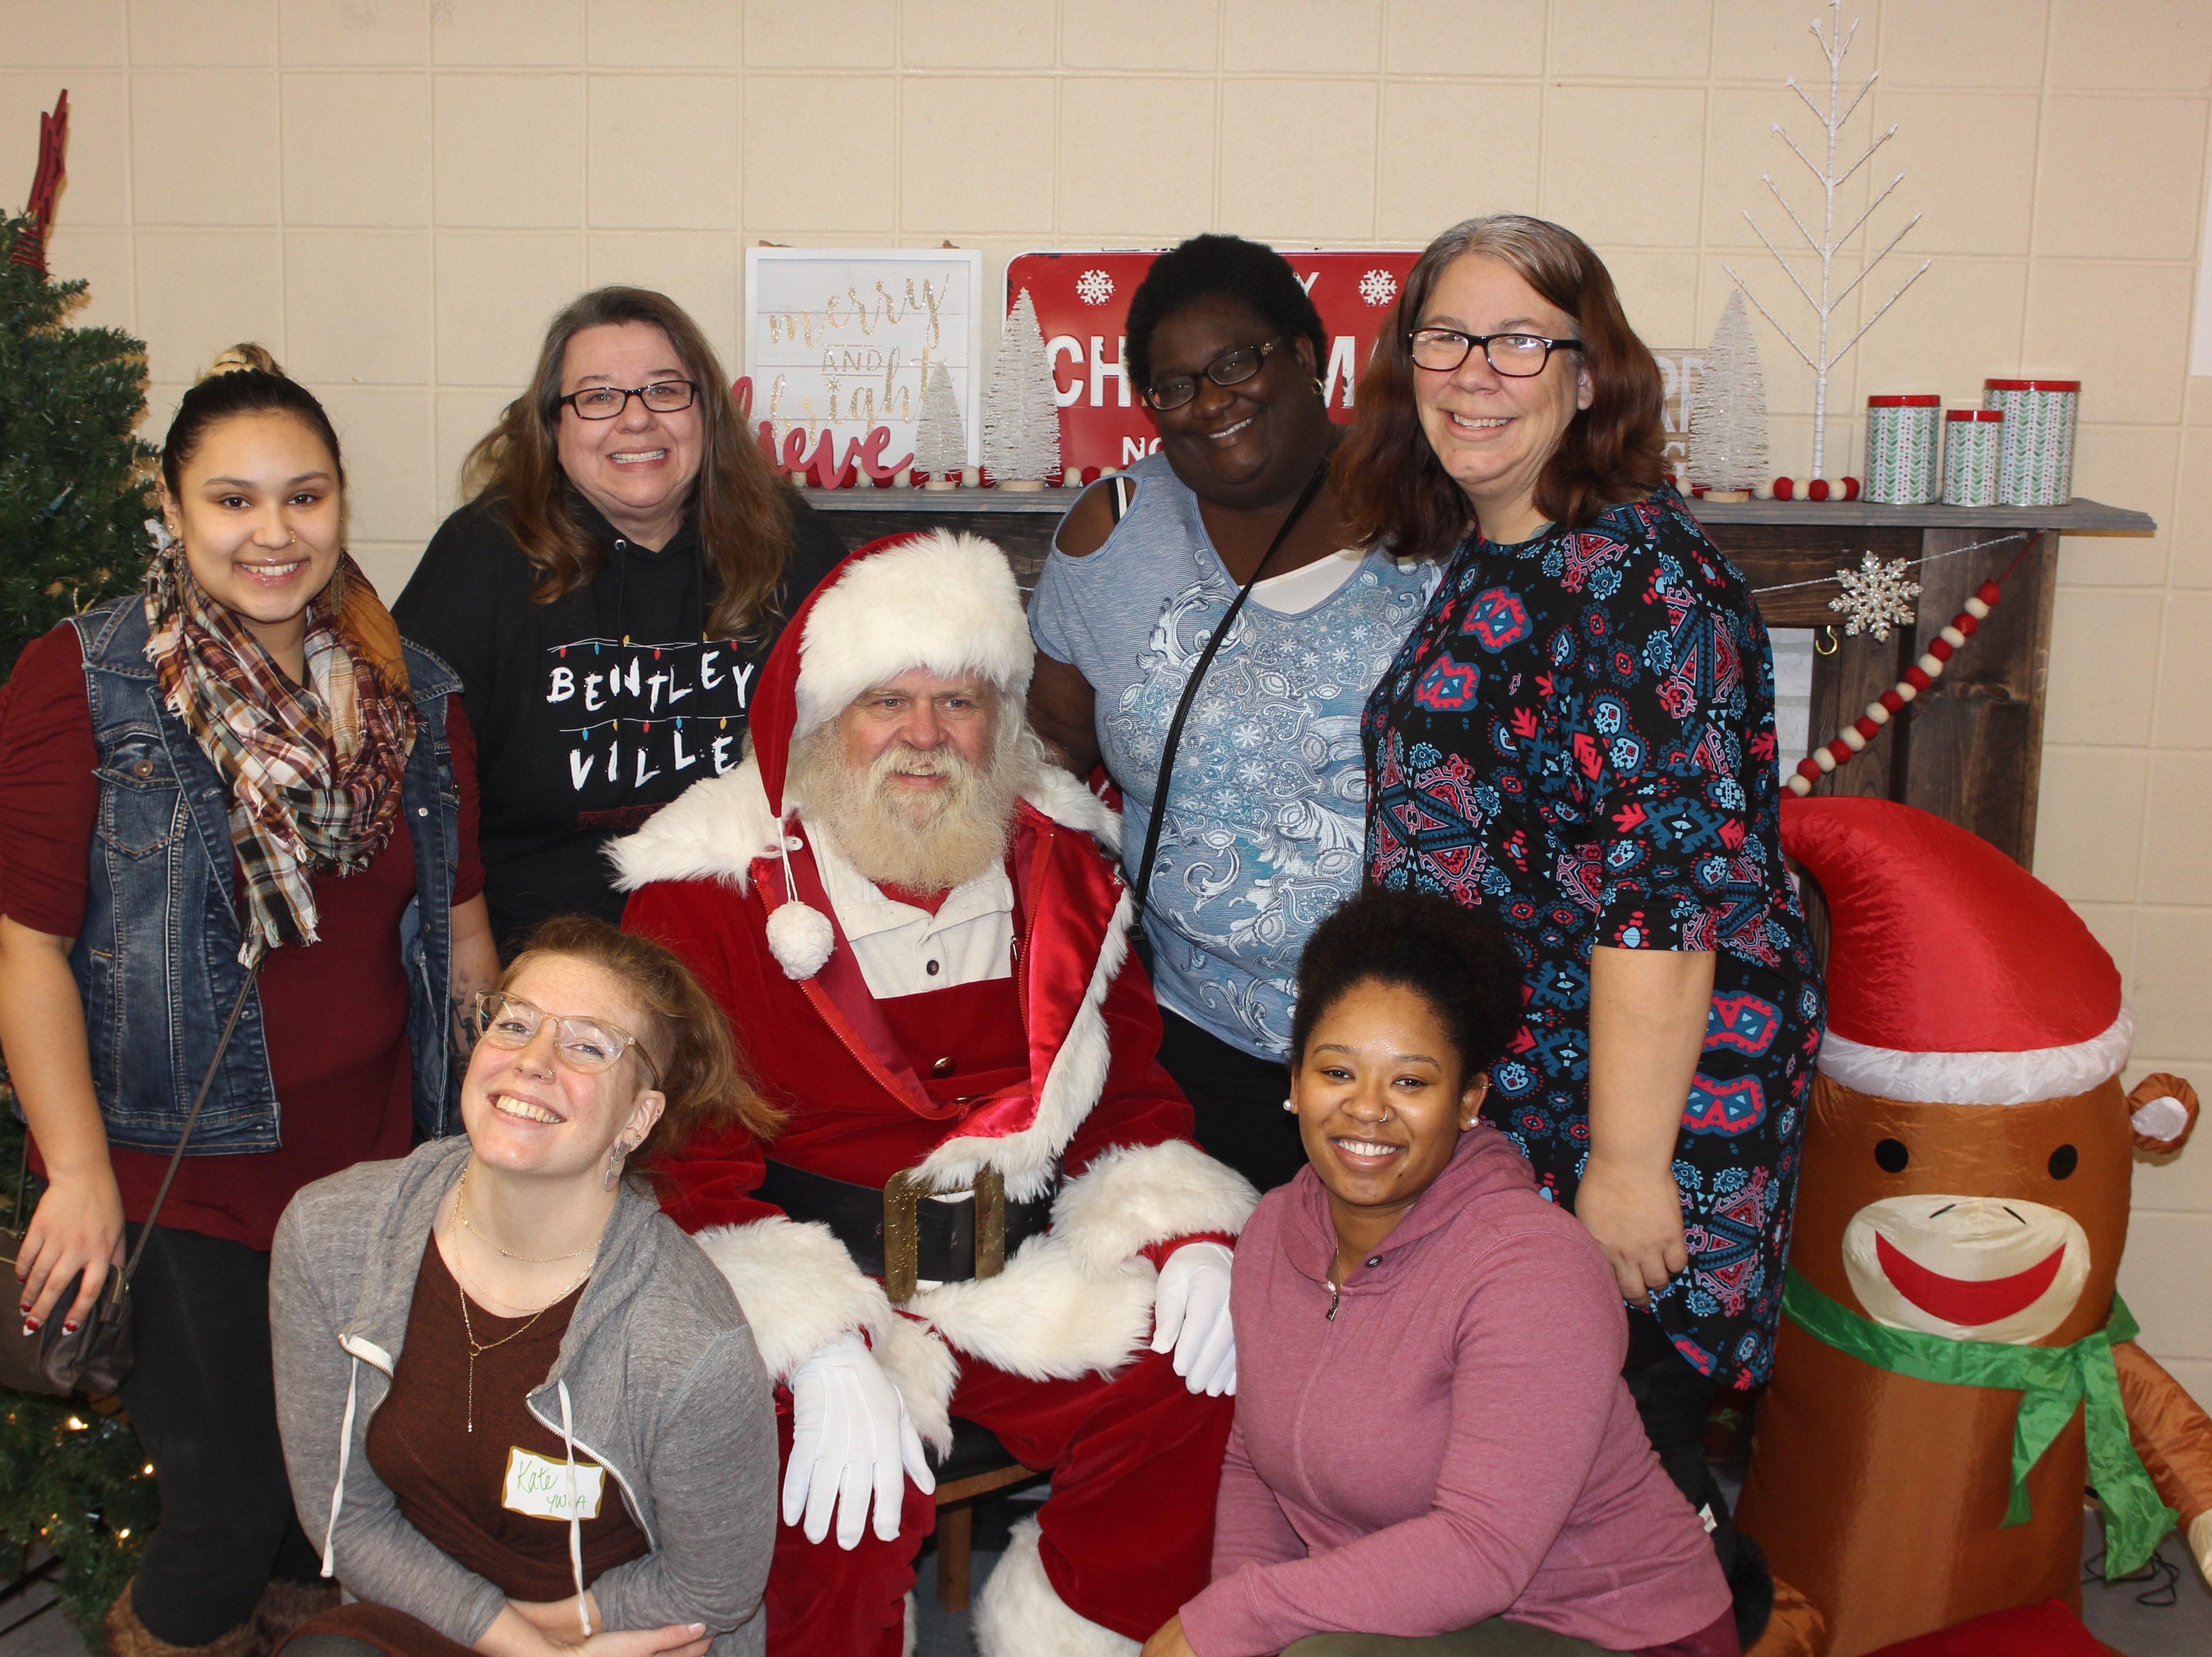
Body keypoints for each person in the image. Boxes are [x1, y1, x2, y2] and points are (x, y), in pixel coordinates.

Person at [606, 530, 1257, 1657]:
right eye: (885, 702)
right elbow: (680, 1169)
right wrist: (813, 1342)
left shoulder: (1065, 867)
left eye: (958, 702)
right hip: (808, 1273)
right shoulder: (704, 896)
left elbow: (1132, 1101)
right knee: (833, 1498)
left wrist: (1189, 1234)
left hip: (1020, 1272)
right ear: (819, 720)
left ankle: (1075, 1636)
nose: (923, 738)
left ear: (1000, 720)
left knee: (1201, 1384)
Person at [0, 346, 501, 1657]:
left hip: (366, 1173)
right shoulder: (89, 682)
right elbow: (25, 945)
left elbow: (463, 922)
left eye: (305, 497)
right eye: (234, 500)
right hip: (172, 1167)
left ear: (340, 503)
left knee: (325, 1511)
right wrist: (76, 1174)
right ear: (174, 506)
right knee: (227, 1507)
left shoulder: (413, 694)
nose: (275, 533)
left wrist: (499, 1135)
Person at [1337, 214, 1821, 1635]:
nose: (1475, 373)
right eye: (1445, 337)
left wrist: (1626, 1166)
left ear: (1591, 373)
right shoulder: (1505, 555)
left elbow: (1660, 898)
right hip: (1532, 1101)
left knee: (1625, 1493)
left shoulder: (1639, 579)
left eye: (1520, 341)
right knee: (1557, 1484)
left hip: (1627, 1110)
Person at [1143, 887, 1736, 1657]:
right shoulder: (1269, 1235)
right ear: (1294, 1084)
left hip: (1608, 1628)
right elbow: (1254, 1464)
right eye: (1337, 1072)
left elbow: (1483, 1552)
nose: (1368, 1110)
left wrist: (1239, 1620)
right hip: (1412, 1614)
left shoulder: (1535, 1269)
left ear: (1469, 1101)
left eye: (1412, 1082)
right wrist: (1236, 1625)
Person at [1027, 234, 1438, 1193]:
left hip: (1411, 1043)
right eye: (1173, 386)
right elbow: (1049, 754)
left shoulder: (1436, 517)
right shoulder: (1112, 533)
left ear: (1307, 353)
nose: (1210, 402)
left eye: (1236, 363)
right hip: (1192, 1039)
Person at [269, 917, 782, 1657]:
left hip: (618, 1638)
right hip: (422, 1610)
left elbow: (712, 1594)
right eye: (515, 1024)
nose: (534, 1061)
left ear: (637, 1119)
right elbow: (345, 1518)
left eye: (588, 1046)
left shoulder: (691, 1342)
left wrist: (558, 1640)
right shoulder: (333, 1235)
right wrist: (514, 1646)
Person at [394, 286, 850, 951]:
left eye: (665, 390)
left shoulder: (790, 545)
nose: (636, 421)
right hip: (543, 957)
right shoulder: (481, 558)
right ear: (553, 427)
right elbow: (421, 784)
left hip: (758, 948)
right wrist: (472, 964)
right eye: (599, 397)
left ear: (707, 414)